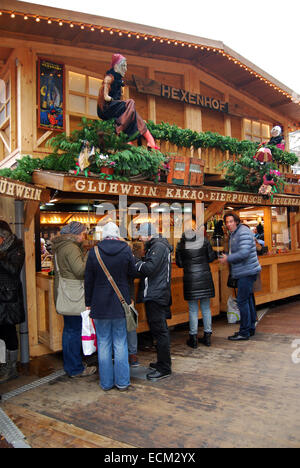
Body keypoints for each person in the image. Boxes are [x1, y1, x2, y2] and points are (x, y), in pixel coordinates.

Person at [85, 222, 137, 391]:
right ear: (117, 234)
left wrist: (88, 303)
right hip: (121, 303)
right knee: (121, 343)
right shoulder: (126, 250)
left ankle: (106, 383)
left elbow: (88, 280)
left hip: (99, 304)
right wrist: (130, 298)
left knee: (103, 343)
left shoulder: (94, 251)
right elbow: (133, 273)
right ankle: (122, 382)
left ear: (103, 235)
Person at [52, 221, 97, 378]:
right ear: (76, 234)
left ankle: (72, 364)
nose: (84, 236)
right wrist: (89, 255)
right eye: (83, 233)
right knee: (74, 331)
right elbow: (79, 271)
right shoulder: (71, 248)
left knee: (70, 330)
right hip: (73, 294)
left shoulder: (61, 246)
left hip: (65, 292)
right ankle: (75, 368)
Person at [135, 223, 173, 381]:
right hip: (158, 292)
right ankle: (162, 363)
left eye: (141, 234)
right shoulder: (158, 245)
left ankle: (164, 367)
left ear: (148, 234)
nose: (139, 237)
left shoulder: (158, 246)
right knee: (159, 330)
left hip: (156, 294)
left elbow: (150, 268)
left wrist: (135, 262)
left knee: (160, 331)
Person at [97, 53, 159, 149]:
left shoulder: (119, 81)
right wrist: (111, 99)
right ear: (117, 66)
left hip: (115, 107)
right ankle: (135, 137)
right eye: (124, 66)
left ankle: (148, 140)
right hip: (107, 108)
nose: (125, 69)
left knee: (133, 113)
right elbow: (105, 96)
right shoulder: (109, 78)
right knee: (131, 103)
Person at [219, 213, 261, 341]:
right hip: (245, 271)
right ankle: (250, 328)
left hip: (246, 272)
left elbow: (244, 252)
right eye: (227, 222)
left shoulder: (242, 232)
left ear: (236, 221)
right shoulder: (235, 233)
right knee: (247, 300)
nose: (229, 224)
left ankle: (244, 332)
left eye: (231, 221)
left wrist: (228, 258)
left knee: (242, 301)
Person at [176, 225, 217, 348]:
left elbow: (179, 263)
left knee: (193, 310)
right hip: (204, 278)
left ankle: (193, 338)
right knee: (206, 308)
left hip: (190, 279)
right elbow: (211, 258)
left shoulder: (181, 245)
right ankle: (207, 337)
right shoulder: (204, 240)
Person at [0, 221, 25, 384]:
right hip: (1, 297)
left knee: (9, 332)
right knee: (1, 333)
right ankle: (5, 364)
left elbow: (14, 270)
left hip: (10, 298)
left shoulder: (17, 248)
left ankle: (12, 367)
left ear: (4, 234)